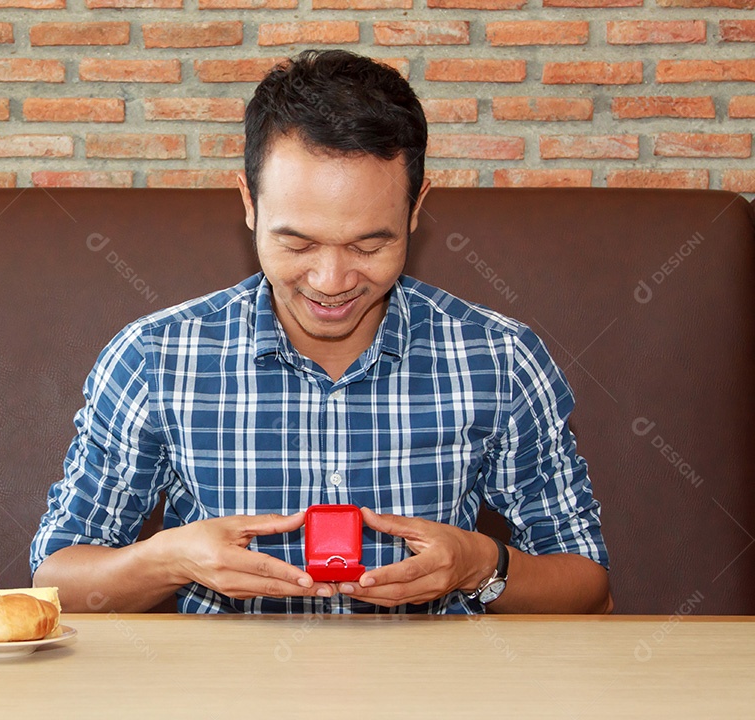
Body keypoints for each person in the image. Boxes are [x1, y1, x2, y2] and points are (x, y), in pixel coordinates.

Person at [30, 49, 611, 615]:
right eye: (297, 242)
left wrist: (481, 565)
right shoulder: (154, 359)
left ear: (416, 211)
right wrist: (170, 559)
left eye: (369, 244)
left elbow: (590, 590)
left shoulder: (500, 358)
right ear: (249, 204)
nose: (331, 281)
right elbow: (54, 583)